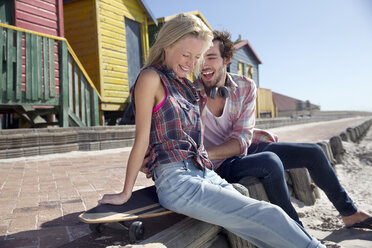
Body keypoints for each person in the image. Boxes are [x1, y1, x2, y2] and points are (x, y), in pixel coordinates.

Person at [98, 14, 326, 248]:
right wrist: (126, 191)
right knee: (266, 214)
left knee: (253, 225)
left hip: (204, 171)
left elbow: (194, 137)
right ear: (166, 44)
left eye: (196, 57)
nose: (190, 63)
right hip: (177, 181)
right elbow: (142, 138)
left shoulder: (186, 84)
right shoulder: (151, 78)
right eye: (186, 54)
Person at [194, 30, 372, 229]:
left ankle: (350, 213)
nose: (204, 65)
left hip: (239, 150)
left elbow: (241, 140)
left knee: (313, 152)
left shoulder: (245, 86)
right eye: (200, 58)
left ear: (226, 59)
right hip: (216, 164)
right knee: (270, 162)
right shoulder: (189, 92)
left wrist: (255, 135)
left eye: (211, 57)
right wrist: (201, 154)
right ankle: (296, 232)